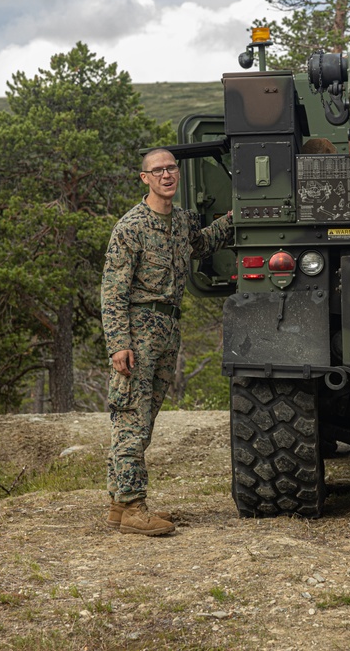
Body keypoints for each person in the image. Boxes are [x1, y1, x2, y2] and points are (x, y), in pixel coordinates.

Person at [101, 148, 233, 536]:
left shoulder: (180, 222)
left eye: (171, 168)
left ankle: (118, 504)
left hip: (167, 329)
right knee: (131, 418)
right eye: (157, 171)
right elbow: (112, 292)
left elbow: (203, 243)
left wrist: (238, 217)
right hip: (138, 331)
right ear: (145, 178)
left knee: (145, 420)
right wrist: (118, 344)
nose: (166, 175)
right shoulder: (131, 228)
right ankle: (134, 507)